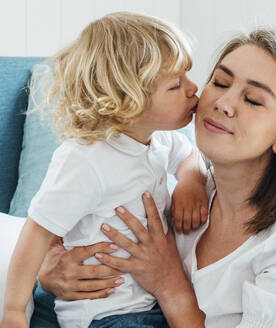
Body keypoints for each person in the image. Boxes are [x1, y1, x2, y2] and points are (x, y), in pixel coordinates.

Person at [32, 28, 276, 327]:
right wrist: (51, 271)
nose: (223, 102)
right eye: (220, 82)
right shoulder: (181, 195)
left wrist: (169, 284)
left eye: (252, 100)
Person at [0, 12, 209, 328]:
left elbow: (189, 156)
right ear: (128, 102)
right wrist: (14, 310)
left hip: (154, 304)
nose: (195, 89)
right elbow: (37, 232)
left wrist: (191, 180)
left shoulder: (161, 140)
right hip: (105, 312)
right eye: (176, 84)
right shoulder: (85, 160)